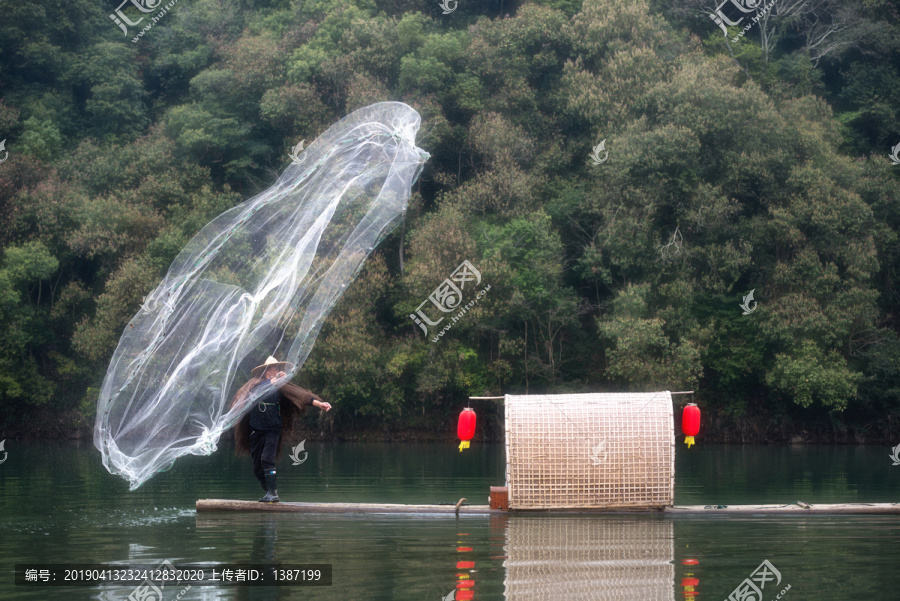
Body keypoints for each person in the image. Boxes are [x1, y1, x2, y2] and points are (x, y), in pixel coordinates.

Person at [229, 356, 331, 503]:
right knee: (257, 468)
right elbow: (253, 393)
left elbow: (300, 395)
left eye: (275, 369)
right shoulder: (254, 384)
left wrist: (319, 403)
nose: (273, 371)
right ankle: (269, 491)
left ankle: (272, 494)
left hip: (273, 429)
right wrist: (271, 381)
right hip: (255, 430)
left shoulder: (280, 384)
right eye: (270, 369)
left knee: (267, 459)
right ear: (264, 371)